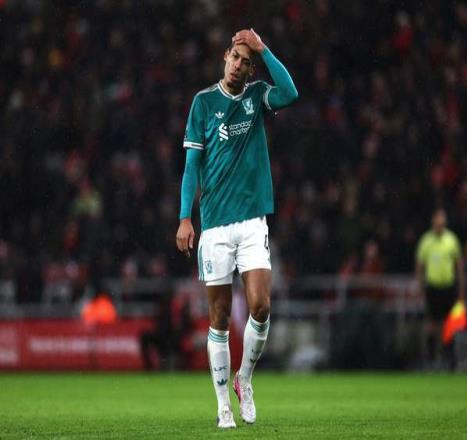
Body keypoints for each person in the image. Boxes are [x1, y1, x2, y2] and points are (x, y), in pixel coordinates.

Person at [176, 28, 298, 428]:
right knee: (219, 316)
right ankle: (222, 406)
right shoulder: (203, 103)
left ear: (250, 70)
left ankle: (244, 378)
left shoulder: (256, 96)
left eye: (247, 62)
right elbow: (191, 166)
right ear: (225, 57)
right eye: (235, 57)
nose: (239, 65)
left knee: (261, 306)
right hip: (214, 226)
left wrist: (265, 48)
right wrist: (185, 217)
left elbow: (290, 93)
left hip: (251, 222)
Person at [415, 208, 466, 369]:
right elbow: (420, 266)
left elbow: (459, 265)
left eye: (442, 220)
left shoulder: (451, 240)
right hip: (432, 287)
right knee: (432, 324)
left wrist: (461, 289)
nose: (440, 223)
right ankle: (431, 360)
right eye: (437, 220)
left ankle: (451, 360)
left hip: (448, 287)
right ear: (433, 222)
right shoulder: (426, 241)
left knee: (450, 324)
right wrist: (420, 287)